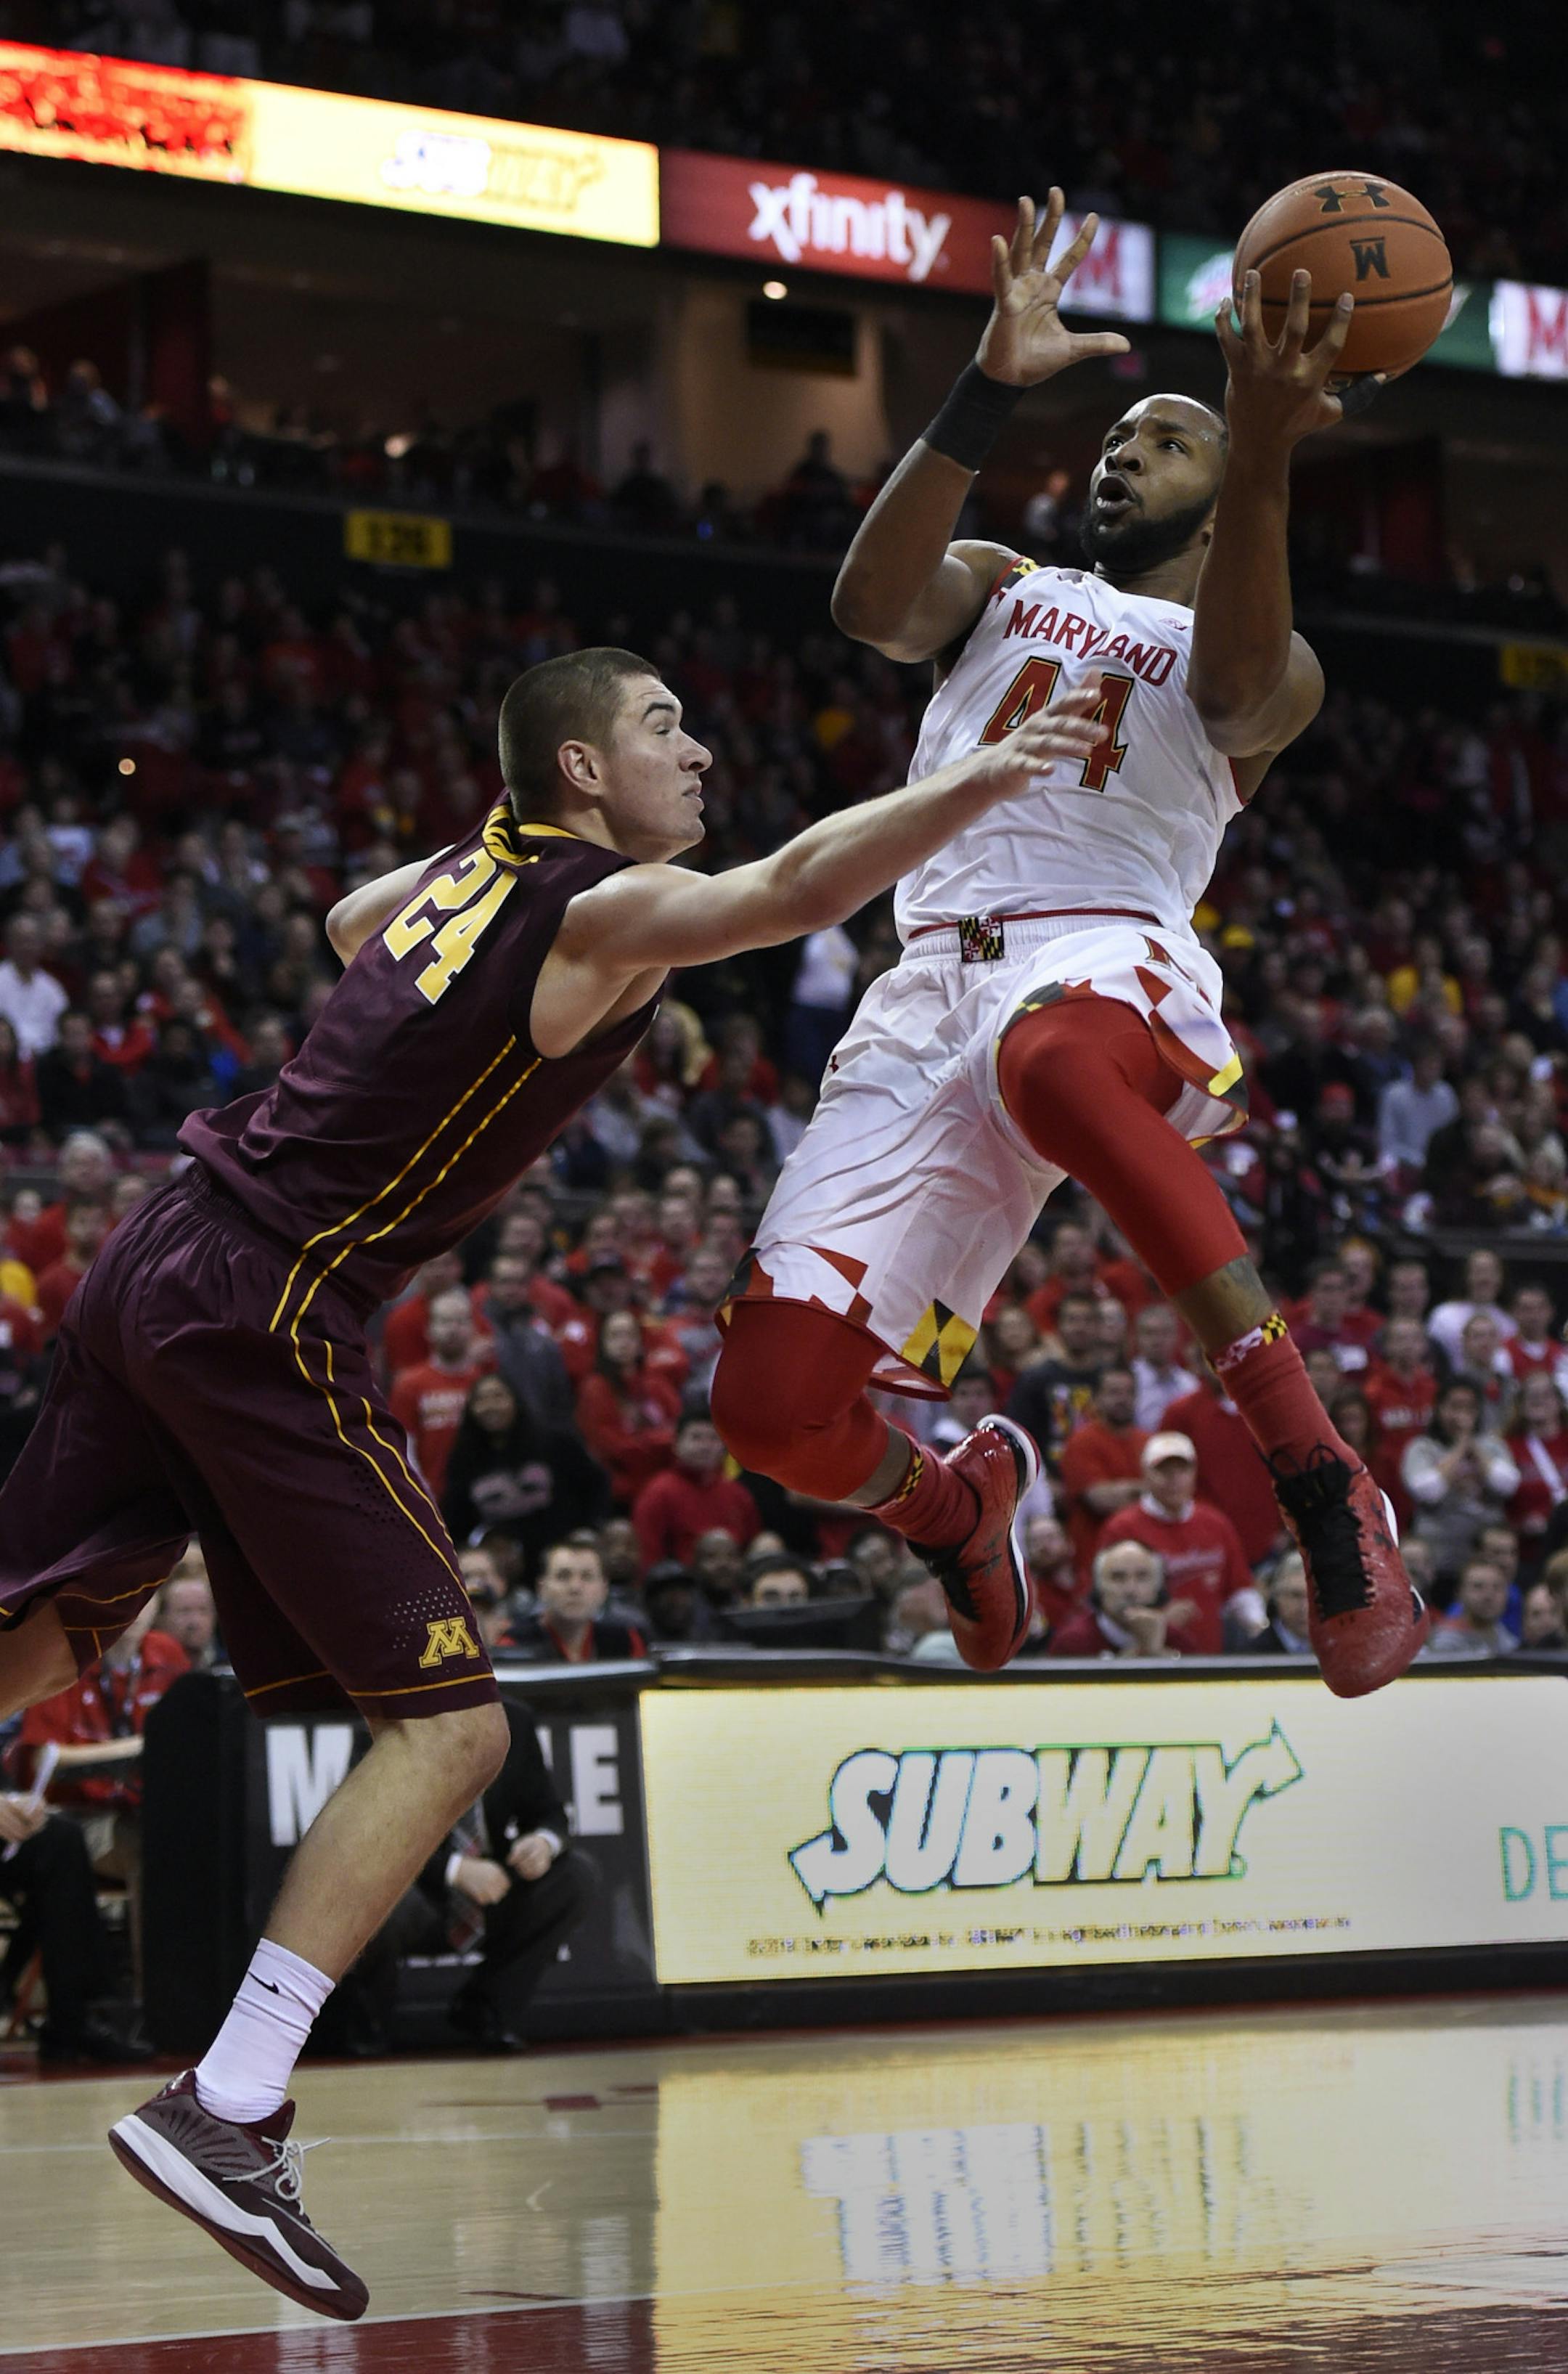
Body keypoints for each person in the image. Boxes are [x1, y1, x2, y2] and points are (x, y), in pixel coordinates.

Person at [0, 640, 1098, 2317]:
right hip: (275, 1300)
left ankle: (233, 2100)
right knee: (451, 1729)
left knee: (41, 1636)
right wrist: (990, 776)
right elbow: (795, 886)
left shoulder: (473, 869)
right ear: (582, 775)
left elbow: (351, 923)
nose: (698, 748)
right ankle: (233, 2100)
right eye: (664, 724)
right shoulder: (589, 911)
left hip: (158, 1251)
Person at [711, 192, 1424, 1698]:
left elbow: (1231, 703)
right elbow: (868, 603)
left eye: (1169, 439)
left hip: (1102, 953)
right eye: (1119, 437)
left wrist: (1270, 433)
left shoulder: (1271, 656)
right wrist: (986, 385)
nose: (1124, 451)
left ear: (1228, 495)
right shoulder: (1009, 588)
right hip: (922, 995)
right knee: (772, 1416)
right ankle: (957, 1508)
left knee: (1052, 1055)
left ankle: (1320, 1475)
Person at [330, 1698, 589, 2057]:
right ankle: (369, 2023)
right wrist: (454, 1869)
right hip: (416, 1891)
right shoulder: (387, 1723)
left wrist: (542, 1842)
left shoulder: (514, 1719)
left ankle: (486, 2009)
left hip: (491, 1888)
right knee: (369, 1894)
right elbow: (368, 1832)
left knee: (575, 1876)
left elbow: (549, 1813)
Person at [1097, 1432, 1259, 1653]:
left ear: (1194, 1473)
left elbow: (1239, 1591)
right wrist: (1159, 1621)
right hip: (1149, 1654)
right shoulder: (1123, 1527)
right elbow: (1108, 1599)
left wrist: (1259, 1625)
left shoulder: (1215, 1523)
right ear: (1145, 1475)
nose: (1173, 1479)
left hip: (1211, 1654)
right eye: (1163, 1471)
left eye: (1181, 1470)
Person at [441, 1372, 611, 1581]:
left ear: (516, 1401)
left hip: (562, 1560)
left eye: (498, 1396)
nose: (490, 1405)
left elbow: (596, 1484)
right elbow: (455, 1519)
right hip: (503, 1574)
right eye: (481, 1400)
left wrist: (589, 1530)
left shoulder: (555, 1442)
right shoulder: (462, 1459)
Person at [1401, 1381, 1521, 1594]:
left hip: (1488, 1565)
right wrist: (1460, 1447)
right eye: (1454, 1407)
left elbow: (1507, 1484)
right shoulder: (1422, 1447)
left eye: (1469, 1408)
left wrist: (1474, 1448)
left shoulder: (1493, 1445)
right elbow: (1428, 1491)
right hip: (1440, 1559)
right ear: (1439, 1409)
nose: (1462, 1415)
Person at [388, 1286, 494, 1496]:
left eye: (460, 1321)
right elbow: (403, 1446)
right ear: (429, 1329)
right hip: (430, 1493)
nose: (452, 1329)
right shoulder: (409, 1384)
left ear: (473, 1328)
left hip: (481, 1493)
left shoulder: (486, 1382)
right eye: (444, 1321)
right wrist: (418, 1490)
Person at [632, 1409, 761, 1570]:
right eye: (696, 1437)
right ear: (676, 1444)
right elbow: (648, 1555)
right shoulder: (657, 1494)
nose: (706, 1447)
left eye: (714, 1438)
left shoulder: (738, 1495)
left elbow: (751, 1548)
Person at [1056, 1364, 1147, 1578]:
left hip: (1142, 1560)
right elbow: (1101, 1500)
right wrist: (1148, 1489)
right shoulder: (1081, 1443)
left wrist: (1125, 1490)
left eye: (1128, 1392)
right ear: (1096, 1398)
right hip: (1093, 1562)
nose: (1122, 1399)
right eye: (1114, 1392)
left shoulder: (1148, 1441)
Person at [506, 1534, 647, 1664]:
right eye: (563, 1576)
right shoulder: (513, 1644)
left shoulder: (625, 1640)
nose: (575, 1587)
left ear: (604, 1589)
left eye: (587, 1577)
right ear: (541, 1588)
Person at [1046, 1538, 1178, 1660]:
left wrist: (1155, 1652)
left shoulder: (1178, 1640)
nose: (1130, 1590)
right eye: (1118, 1578)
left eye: (1142, 1577)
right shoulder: (1072, 1643)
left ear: (1158, 1587)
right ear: (1098, 1587)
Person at [1425, 1556, 1519, 1660]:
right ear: (1460, 1593)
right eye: (1478, 1587)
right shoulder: (1444, 1642)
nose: (1489, 1595)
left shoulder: (1508, 1639)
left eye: (1497, 1587)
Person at [1129, 1300, 1195, 1431]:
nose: (1157, 1340)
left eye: (1164, 1333)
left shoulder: (1190, 1384)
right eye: (1150, 1333)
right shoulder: (1128, 1379)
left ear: (1176, 1337)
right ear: (1137, 1337)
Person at [156, 1549, 221, 1671]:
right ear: (161, 1617)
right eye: (184, 1611)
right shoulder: (144, 1671)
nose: (194, 1622)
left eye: (203, 1611)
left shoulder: (231, 1665)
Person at [1240, 1550, 1314, 1657]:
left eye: (1313, 1596)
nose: (1305, 1607)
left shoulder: (1339, 1650)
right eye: (1295, 1595)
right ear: (1277, 1597)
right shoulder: (1252, 1654)